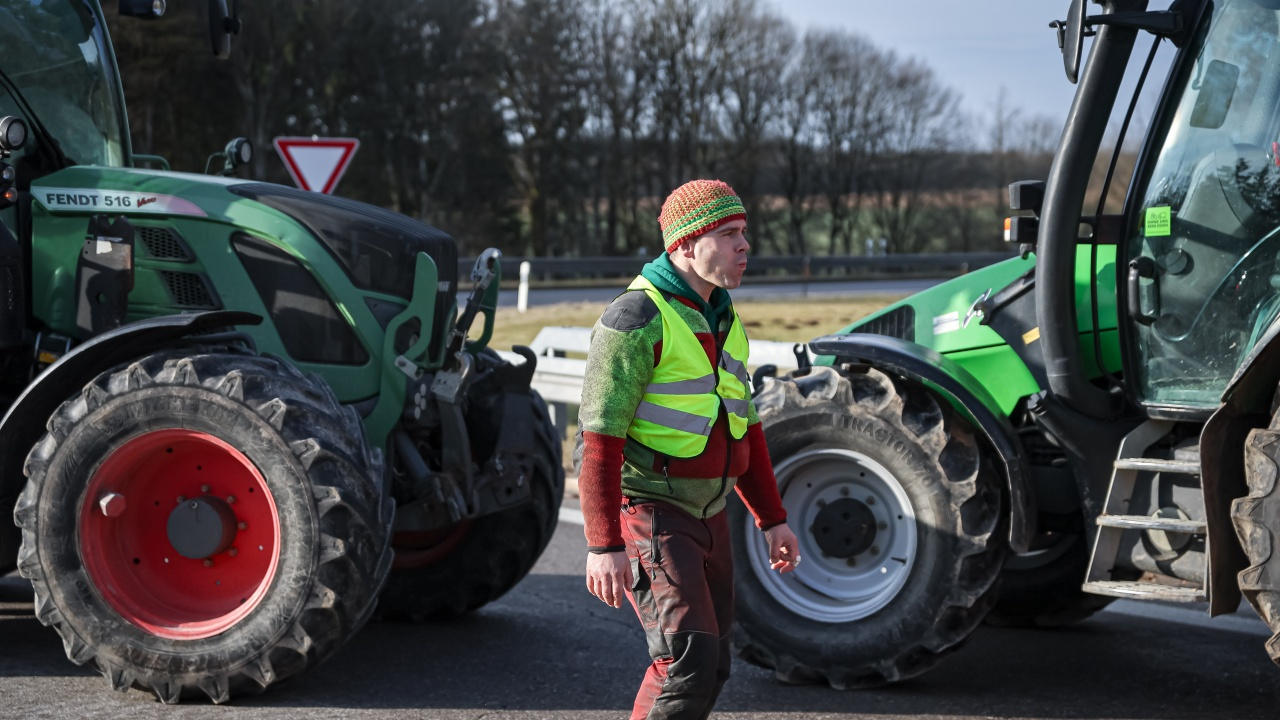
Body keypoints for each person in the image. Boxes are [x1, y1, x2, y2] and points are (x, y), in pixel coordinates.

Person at [578, 179, 800, 720]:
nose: (745, 246)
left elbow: (744, 428)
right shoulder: (636, 320)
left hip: (711, 512)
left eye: (744, 232)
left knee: (714, 662)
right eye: (728, 234)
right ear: (683, 247)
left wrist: (773, 519)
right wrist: (603, 544)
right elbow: (598, 442)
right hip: (653, 511)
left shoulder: (723, 316)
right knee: (686, 662)